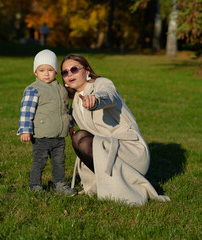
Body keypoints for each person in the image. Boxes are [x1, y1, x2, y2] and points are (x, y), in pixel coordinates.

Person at [60, 54, 170, 205]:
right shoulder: (76, 104)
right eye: (65, 72)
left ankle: (129, 186)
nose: (69, 74)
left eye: (74, 69)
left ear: (87, 71)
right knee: (78, 138)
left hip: (129, 151)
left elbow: (109, 95)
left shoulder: (101, 84)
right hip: (106, 152)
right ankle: (113, 185)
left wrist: (96, 99)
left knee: (80, 138)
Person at [17, 49, 77, 196]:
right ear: (35, 72)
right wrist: (25, 130)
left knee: (59, 162)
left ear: (56, 71)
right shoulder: (33, 90)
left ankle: (60, 184)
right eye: (42, 70)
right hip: (41, 135)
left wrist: (70, 125)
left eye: (50, 70)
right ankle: (35, 185)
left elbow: (65, 110)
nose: (46, 73)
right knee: (40, 162)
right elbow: (26, 111)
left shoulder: (61, 89)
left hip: (59, 136)